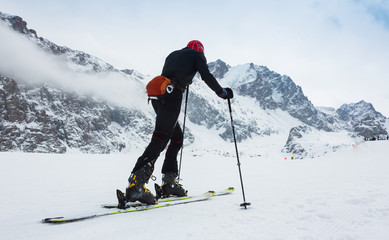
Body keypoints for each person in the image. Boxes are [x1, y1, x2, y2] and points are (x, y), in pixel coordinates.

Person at [119, 40, 233, 206]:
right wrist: (222, 92)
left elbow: (173, 73)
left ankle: (169, 183)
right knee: (160, 138)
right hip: (172, 96)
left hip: (159, 96)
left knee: (176, 137)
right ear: (200, 50)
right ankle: (136, 186)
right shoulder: (197, 54)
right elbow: (206, 75)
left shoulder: (173, 54)